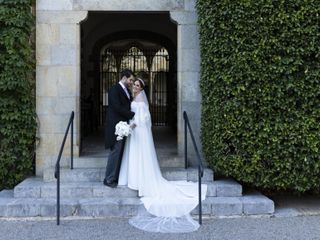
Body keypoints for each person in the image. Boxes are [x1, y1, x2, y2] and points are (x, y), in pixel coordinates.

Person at [118, 78, 207, 233]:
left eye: (138, 86)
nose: (136, 87)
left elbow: (144, 118)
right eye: (135, 85)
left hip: (140, 131)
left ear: (142, 88)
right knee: (134, 156)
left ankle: (142, 182)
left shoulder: (140, 99)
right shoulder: (135, 97)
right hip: (135, 131)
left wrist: (132, 125)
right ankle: (135, 180)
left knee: (141, 157)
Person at [104, 69, 136, 188]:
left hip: (123, 126)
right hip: (116, 126)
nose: (131, 82)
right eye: (130, 79)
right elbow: (116, 107)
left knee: (120, 152)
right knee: (115, 152)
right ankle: (108, 179)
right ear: (124, 77)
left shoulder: (127, 90)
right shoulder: (114, 89)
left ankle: (115, 177)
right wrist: (131, 115)